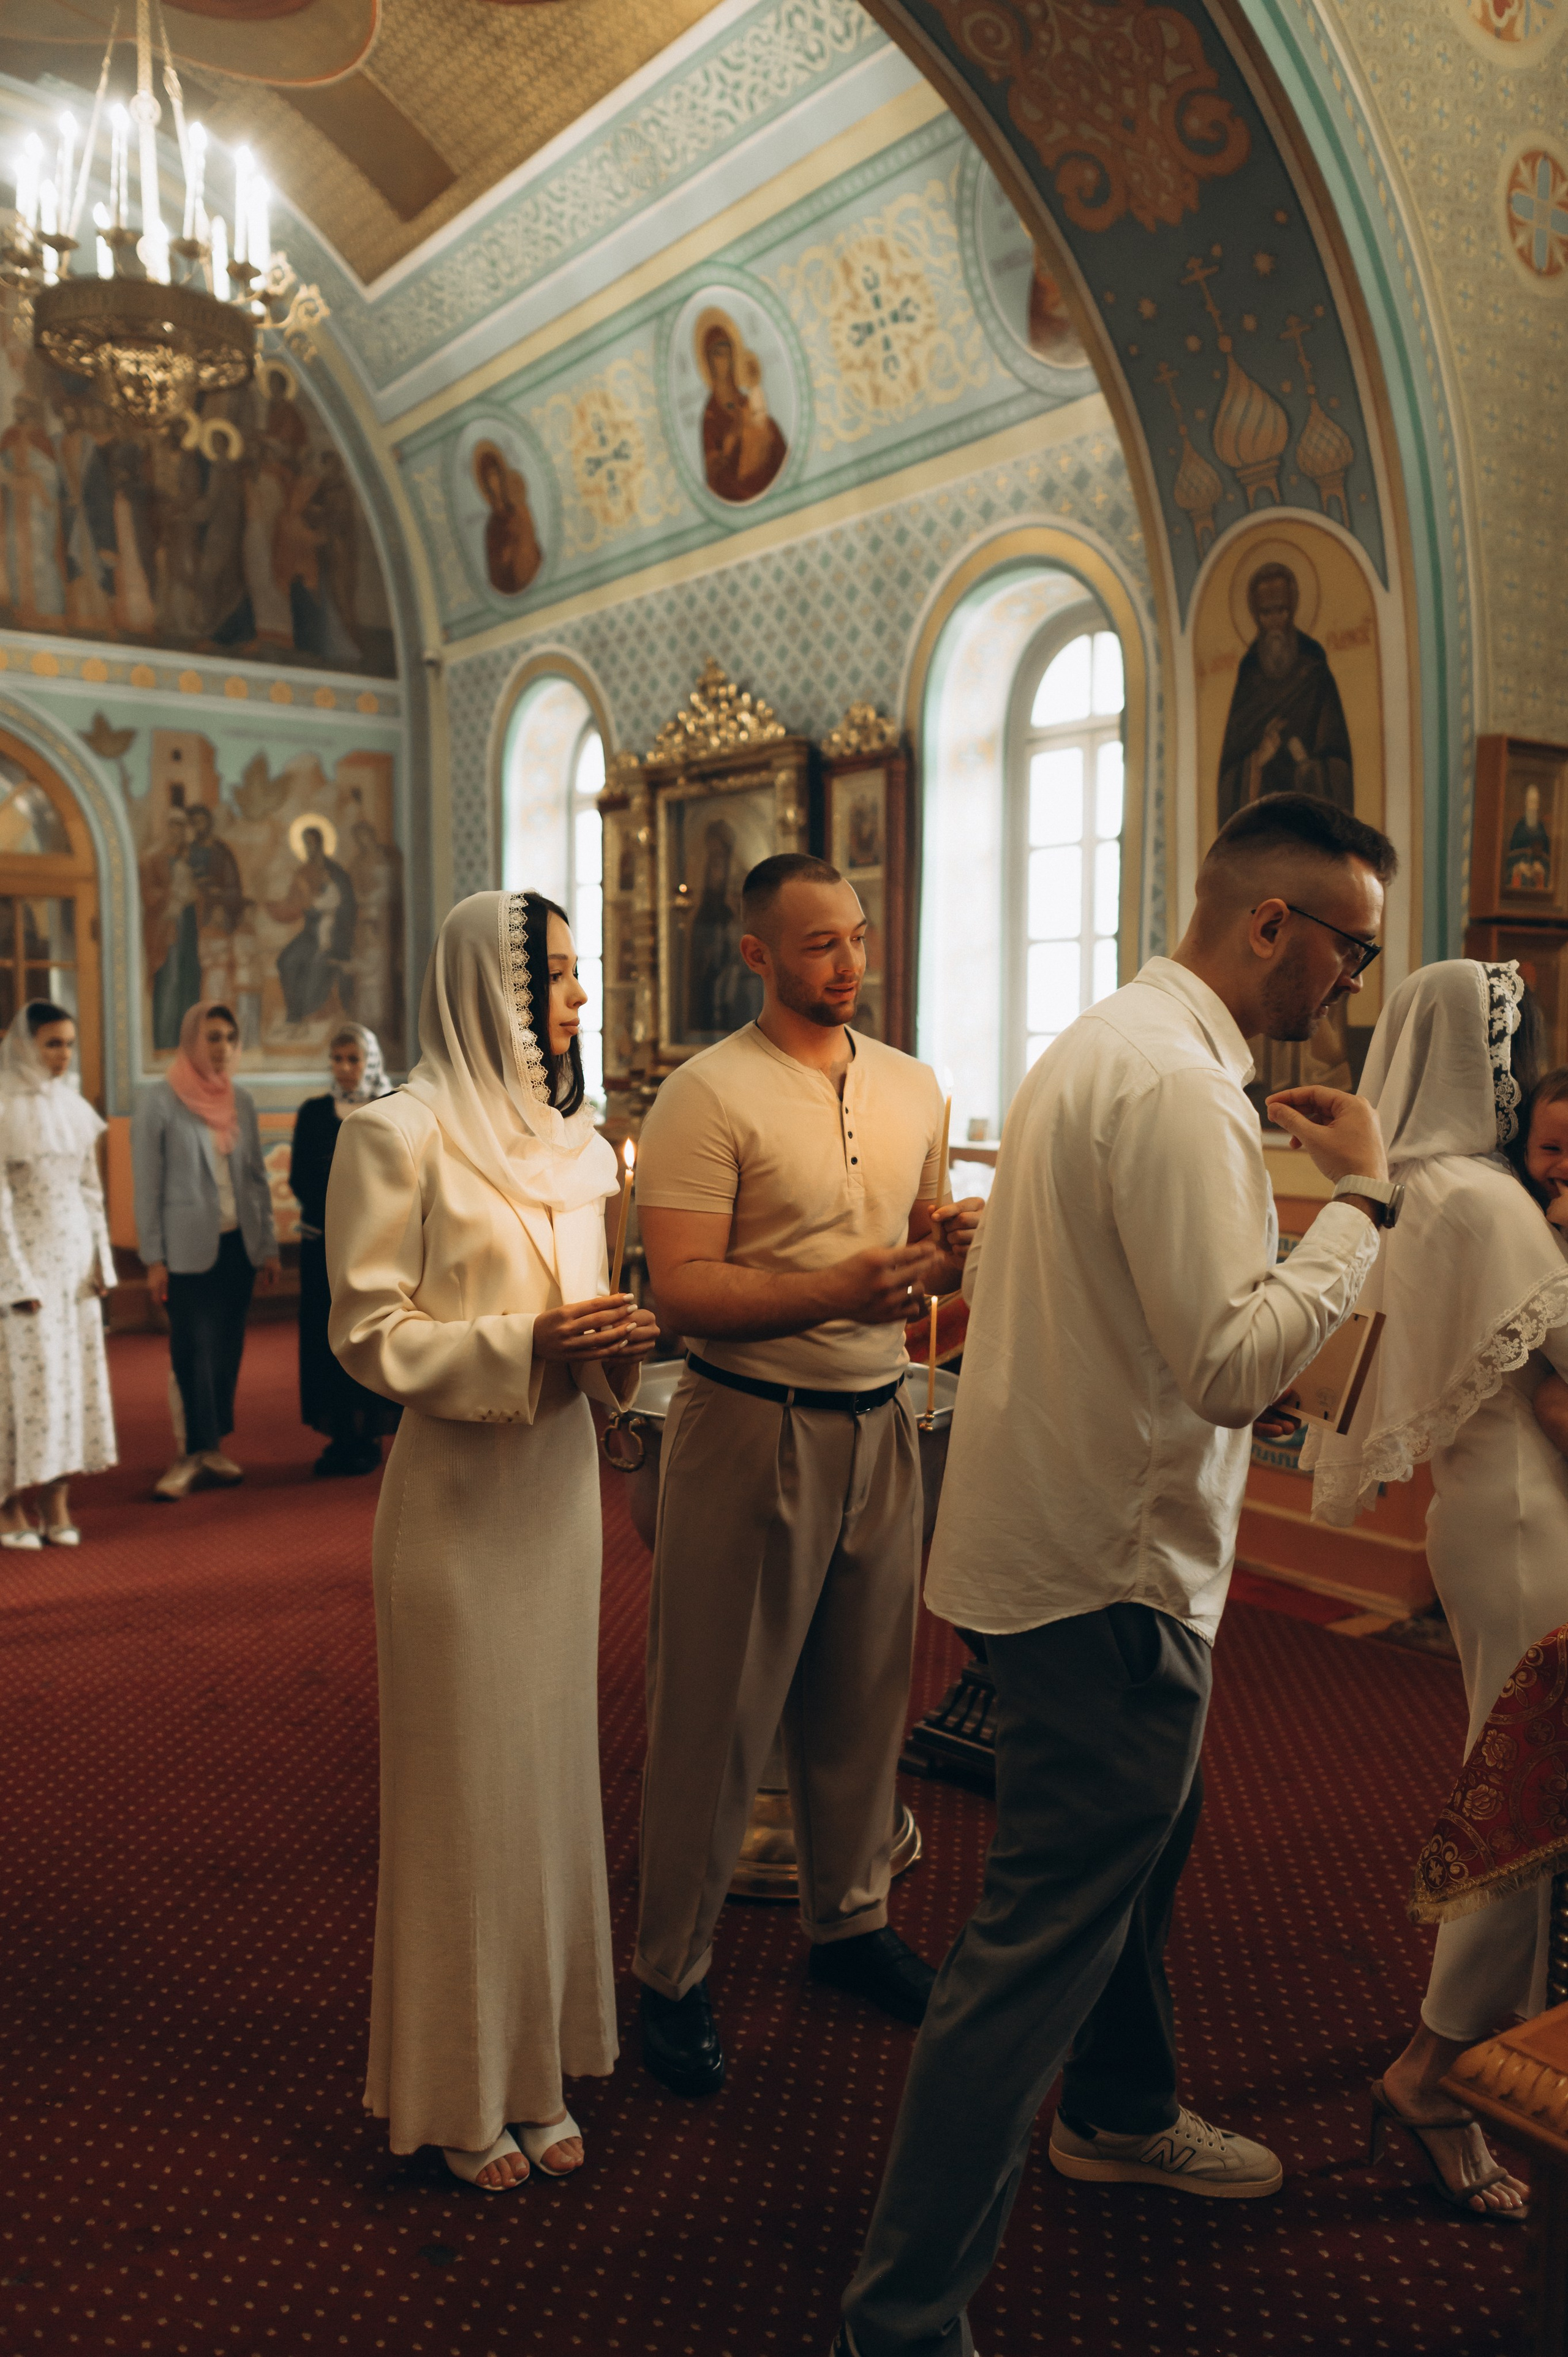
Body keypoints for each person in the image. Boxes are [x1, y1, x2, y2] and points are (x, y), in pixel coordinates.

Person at [834, 793, 1398, 2357]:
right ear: (1269, 923)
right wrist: (1357, 1206)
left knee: (1150, 1835)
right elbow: (1226, 1366)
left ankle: (1120, 2106)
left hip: (1051, 1533)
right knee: (1030, 1948)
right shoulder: (1177, 1088)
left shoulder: (1105, 1042)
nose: (1347, 981)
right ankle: (901, 2317)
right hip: (1106, 1568)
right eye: (1346, 948)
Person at [632, 853, 983, 2101]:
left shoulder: (912, 1082)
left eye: (857, 936)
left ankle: (850, 1920)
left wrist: (951, 1249)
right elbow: (681, 1292)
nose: (847, 962)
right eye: (819, 943)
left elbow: (920, 1252)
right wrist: (837, 1287)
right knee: (716, 1715)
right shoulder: (703, 1093)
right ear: (757, 955)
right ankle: (670, 1970)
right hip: (747, 1420)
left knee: (864, 1697)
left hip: (881, 1419)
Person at [326, 889, 658, 2193]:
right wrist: (525, 1341)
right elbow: (367, 1330)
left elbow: (589, 1320)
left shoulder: (577, 1148)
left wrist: (614, 1348)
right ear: (491, 988)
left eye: (577, 974)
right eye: (556, 976)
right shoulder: (395, 1132)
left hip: (556, 1493)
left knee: (550, 1780)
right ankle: (462, 2090)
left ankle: (541, 2065)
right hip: (457, 1507)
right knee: (464, 1794)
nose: (578, 997)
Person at [1309, 963, 1568, 2223]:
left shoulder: (1410, 1185)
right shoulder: (1486, 1200)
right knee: (1522, 1790)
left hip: (1484, 1510)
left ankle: (1496, 2026)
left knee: (1516, 1775)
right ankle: (1436, 2066)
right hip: (1527, 1513)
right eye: (1512, 1050)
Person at [132, 1000, 281, 1502]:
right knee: (191, 1348)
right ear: (193, 1040)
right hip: (185, 1250)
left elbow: (255, 1177)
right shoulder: (159, 1101)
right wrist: (153, 1258)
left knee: (226, 1349)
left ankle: (212, 1449)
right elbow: (147, 1187)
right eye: (213, 1037)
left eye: (230, 1038)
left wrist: (267, 1246)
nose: (222, 1048)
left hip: (237, 1245)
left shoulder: (240, 1100)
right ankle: (190, 1454)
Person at [0, 1002, 116, 1550]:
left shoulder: (74, 1107)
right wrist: (14, 1280)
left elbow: (90, 1191)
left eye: (68, 1043)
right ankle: (8, 1503)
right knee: (23, 1387)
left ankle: (56, 1499)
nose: (62, 1054)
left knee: (74, 1385)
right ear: (26, 1044)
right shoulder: (3, 1106)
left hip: (74, 1270)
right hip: (25, 1267)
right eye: (52, 1043)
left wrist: (101, 1263)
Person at [290, 1023, 401, 1479]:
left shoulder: (388, 1108)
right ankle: (339, 1434)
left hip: (372, 1246)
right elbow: (300, 1177)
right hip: (321, 1245)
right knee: (326, 1335)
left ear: (369, 1061)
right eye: (337, 1060)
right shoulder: (314, 1112)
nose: (345, 1068)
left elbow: (396, 1175)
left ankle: (368, 1433)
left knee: (366, 1329)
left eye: (354, 1059)